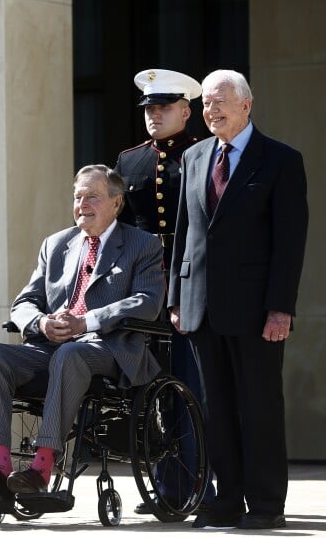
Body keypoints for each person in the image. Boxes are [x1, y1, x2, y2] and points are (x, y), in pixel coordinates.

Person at [0, 165, 165, 497]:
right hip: (52, 348)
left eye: (93, 196)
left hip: (108, 348)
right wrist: (41, 323)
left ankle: (41, 469)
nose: (83, 204)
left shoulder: (143, 245)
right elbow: (24, 301)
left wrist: (87, 321)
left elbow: (147, 302)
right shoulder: (56, 244)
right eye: (78, 197)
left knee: (70, 354)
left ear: (116, 203)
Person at [169, 70, 308, 530]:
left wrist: (281, 308)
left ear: (247, 104)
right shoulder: (194, 157)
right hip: (201, 307)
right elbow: (184, 234)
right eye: (206, 105)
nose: (211, 111)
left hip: (256, 311)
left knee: (260, 407)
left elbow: (289, 243)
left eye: (219, 103)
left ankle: (267, 504)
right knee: (217, 409)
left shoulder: (280, 161)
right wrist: (176, 297)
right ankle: (226, 499)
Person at [114, 68, 215, 515]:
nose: (154, 116)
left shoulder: (203, 154)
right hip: (144, 291)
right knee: (153, 391)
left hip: (191, 289)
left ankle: (200, 485)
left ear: (186, 111)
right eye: (149, 109)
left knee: (193, 388)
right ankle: (168, 485)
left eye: (163, 108)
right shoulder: (130, 160)